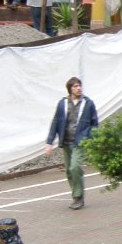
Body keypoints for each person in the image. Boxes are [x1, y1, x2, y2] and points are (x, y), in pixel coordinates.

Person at [45, 77, 98, 210]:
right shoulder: (62, 103)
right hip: (66, 142)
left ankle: (78, 196)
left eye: (79, 85)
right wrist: (49, 142)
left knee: (75, 167)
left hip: (80, 142)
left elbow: (94, 124)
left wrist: (89, 137)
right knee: (69, 171)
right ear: (70, 89)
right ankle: (76, 195)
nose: (78, 88)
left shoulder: (88, 103)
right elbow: (56, 122)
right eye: (75, 86)